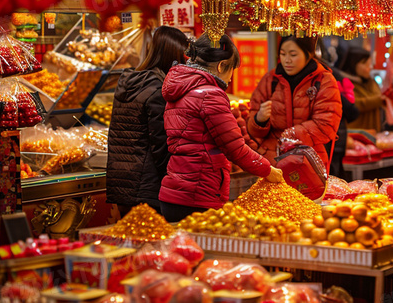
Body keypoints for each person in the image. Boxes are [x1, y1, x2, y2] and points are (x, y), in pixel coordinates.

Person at [160, 34, 284, 222]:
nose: (231, 78)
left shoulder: (180, 89)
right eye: (232, 69)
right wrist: (268, 170)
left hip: (174, 192)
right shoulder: (210, 95)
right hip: (198, 195)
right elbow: (235, 148)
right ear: (221, 66)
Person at [107, 26, 188, 217]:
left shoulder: (129, 82)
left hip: (122, 184)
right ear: (173, 57)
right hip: (147, 188)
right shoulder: (157, 90)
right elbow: (160, 145)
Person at [247, 36, 342, 170]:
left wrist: (291, 135)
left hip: (309, 162)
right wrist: (259, 120)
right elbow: (252, 129)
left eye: (293, 54)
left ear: (308, 54)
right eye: (283, 54)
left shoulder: (324, 80)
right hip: (273, 164)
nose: (287, 60)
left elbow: (326, 124)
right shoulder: (270, 80)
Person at [317, 40, 359, 178]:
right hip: (333, 139)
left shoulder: (327, 76)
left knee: (331, 183)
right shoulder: (332, 74)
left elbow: (352, 110)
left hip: (332, 140)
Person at [340, 46, 384, 132]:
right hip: (354, 135)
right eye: (365, 64)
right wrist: (380, 99)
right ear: (353, 64)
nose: (369, 68)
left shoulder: (371, 81)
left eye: (370, 64)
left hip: (373, 133)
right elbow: (355, 104)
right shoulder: (343, 83)